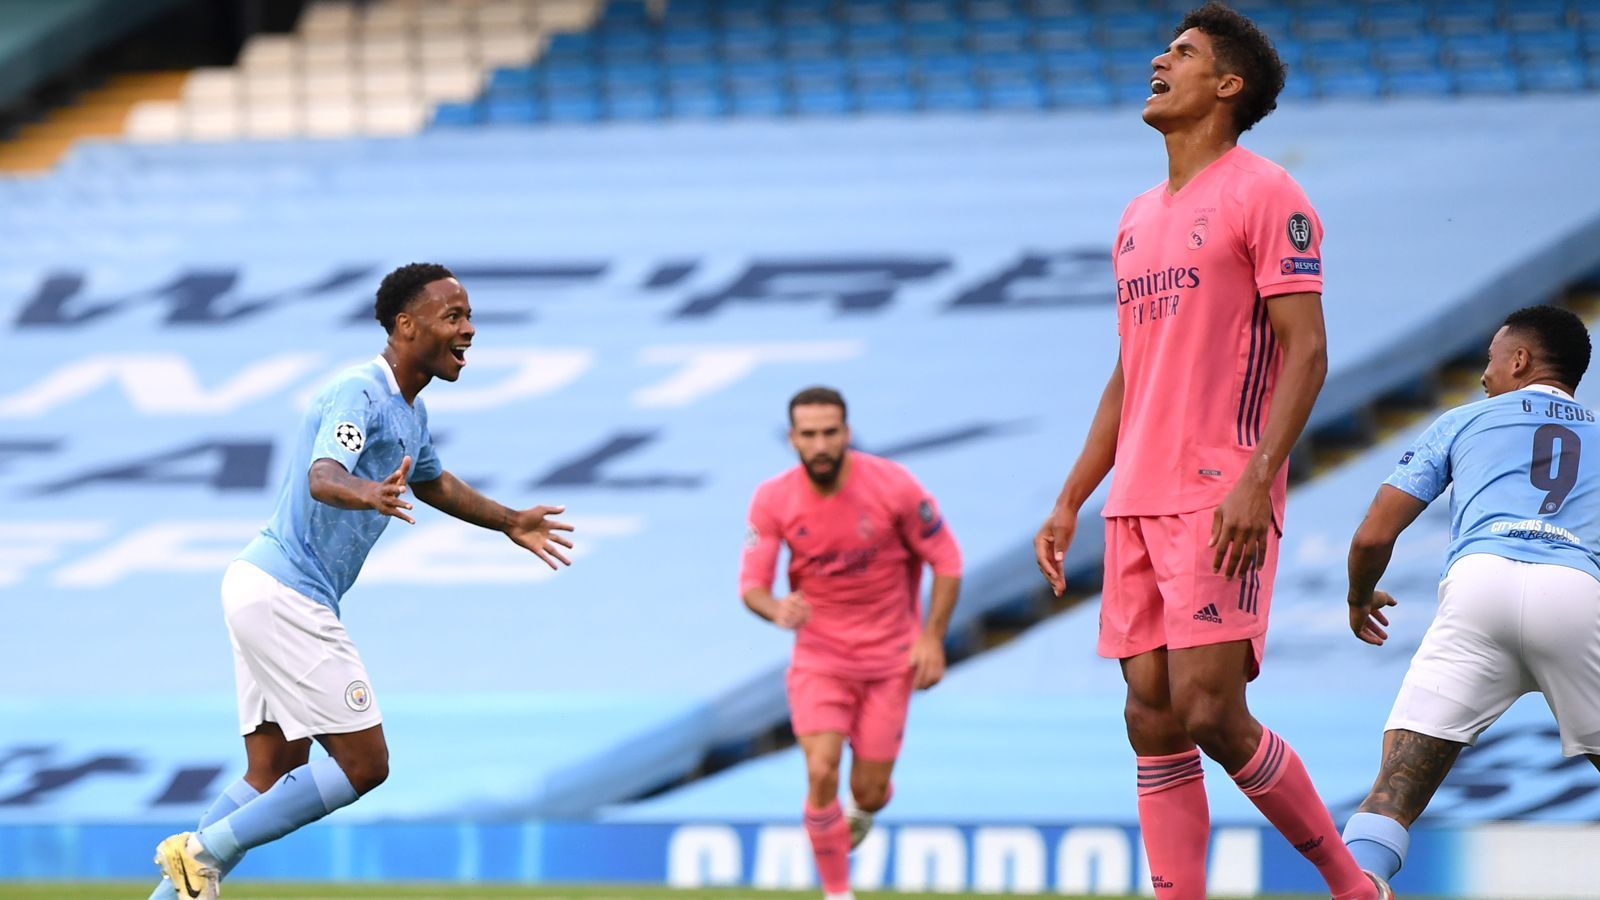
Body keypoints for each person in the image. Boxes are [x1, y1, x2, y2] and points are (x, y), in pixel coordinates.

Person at [1032, 4, 1383, 898]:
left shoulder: (1266, 194)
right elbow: (1129, 373)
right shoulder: (1136, 217)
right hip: (1137, 497)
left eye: (1182, 53)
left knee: (1211, 711)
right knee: (1149, 718)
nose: (1160, 58)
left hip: (1219, 487)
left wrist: (1256, 477)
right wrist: (1073, 494)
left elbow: (1308, 351)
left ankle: (1352, 886)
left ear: (1227, 86)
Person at [151, 263, 575, 900]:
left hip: (260, 586)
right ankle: (205, 848)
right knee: (365, 764)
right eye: (453, 317)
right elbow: (325, 473)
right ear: (406, 326)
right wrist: (366, 492)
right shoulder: (361, 391)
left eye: (468, 317)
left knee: (272, 773)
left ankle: (179, 884)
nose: (469, 331)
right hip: (285, 594)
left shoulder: (411, 410)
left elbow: (434, 482)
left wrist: (510, 520)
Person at [1342, 306, 1600, 890]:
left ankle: (1363, 882)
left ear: (1519, 360)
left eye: (1489, 360)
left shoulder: (1463, 422)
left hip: (1478, 589)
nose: (1484, 375)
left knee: (1391, 793)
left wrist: (1359, 597)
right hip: (1575, 594)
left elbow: (1374, 535)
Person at [740, 386, 962, 900]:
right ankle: (838, 894)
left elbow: (947, 561)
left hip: (890, 661)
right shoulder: (773, 498)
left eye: (829, 432)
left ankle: (867, 805)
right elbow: (751, 584)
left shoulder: (894, 486)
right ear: (793, 438)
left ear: (846, 433)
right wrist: (778, 609)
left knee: (867, 791)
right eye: (809, 434)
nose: (820, 444)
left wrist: (932, 638)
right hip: (819, 659)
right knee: (820, 769)